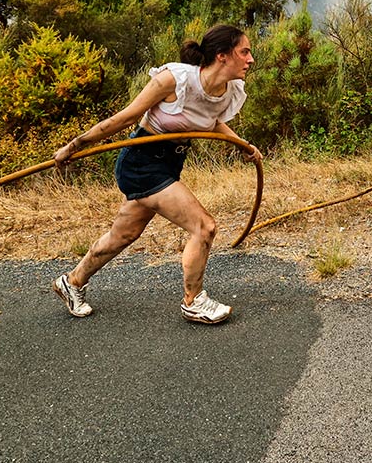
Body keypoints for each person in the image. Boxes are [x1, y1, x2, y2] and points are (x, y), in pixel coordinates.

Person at [51, 24, 262, 325]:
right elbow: (125, 117)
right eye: (245, 51)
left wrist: (243, 146)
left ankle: (71, 282)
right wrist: (74, 145)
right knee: (204, 227)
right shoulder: (174, 79)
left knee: (122, 235)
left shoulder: (227, 90)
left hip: (170, 164)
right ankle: (194, 301)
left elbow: (211, 121)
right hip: (141, 163)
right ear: (222, 55)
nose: (251, 59)